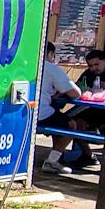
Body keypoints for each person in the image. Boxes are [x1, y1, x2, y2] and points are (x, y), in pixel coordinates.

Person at [38, 39, 82, 174]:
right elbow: (76, 93)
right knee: (71, 125)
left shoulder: (24, 64)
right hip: (40, 114)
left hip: (20, 111)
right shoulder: (51, 68)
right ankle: (52, 161)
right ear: (50, 54)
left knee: (58, 118)